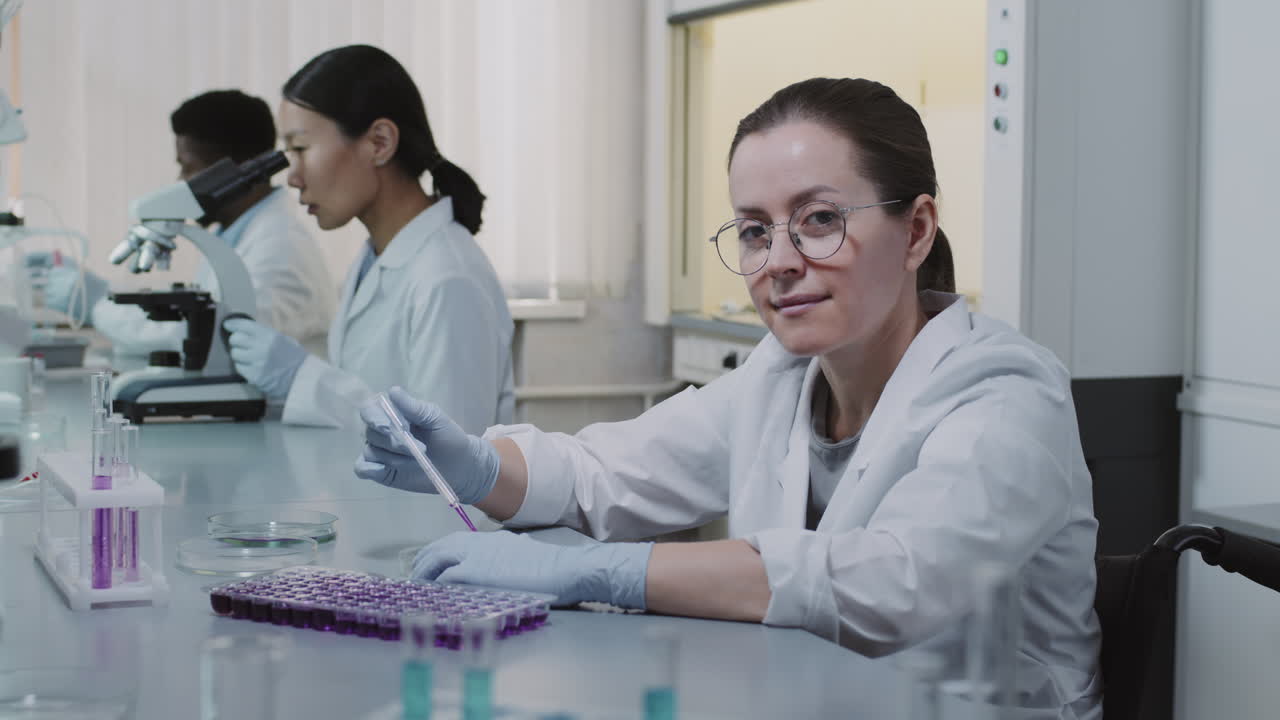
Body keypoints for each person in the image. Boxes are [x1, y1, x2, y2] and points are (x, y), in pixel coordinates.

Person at [357, 77, 1102, 717]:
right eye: (753, 230)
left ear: (915, 231)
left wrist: (602, 571)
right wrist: (476, 467)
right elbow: (608, 472)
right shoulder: (777, 375)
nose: (779, 262)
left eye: (819, 220)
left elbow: (895, 581)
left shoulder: (1006, 392)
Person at [224, 45, 514, 431]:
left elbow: (451, 452)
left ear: (379, 142)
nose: (292, 177)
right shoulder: (377, 258)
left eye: (301, 148)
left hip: (422, 495)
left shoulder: (447, 278)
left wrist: (304, 380)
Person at [38, 90, 335, 356]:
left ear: (235, 171)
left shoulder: (280, 249)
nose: (181, 182)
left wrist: (96, 305)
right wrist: (104, 293)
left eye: (190, 168)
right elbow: (188, 318)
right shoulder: (235, 235)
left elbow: (207, 336)